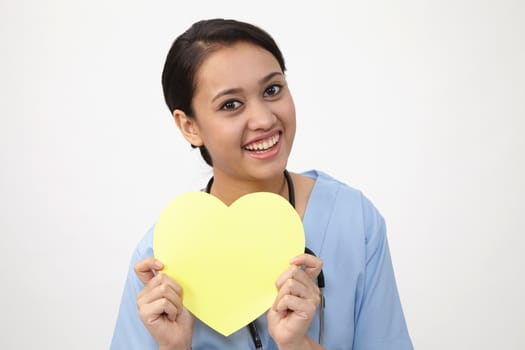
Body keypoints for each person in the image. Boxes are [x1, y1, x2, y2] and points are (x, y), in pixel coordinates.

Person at [110, 18, 413, 350]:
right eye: (230, 104)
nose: (265, 119)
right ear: (189, 126)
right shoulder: (159, 257)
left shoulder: (355, 222)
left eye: (272, 89)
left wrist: (299, 345)